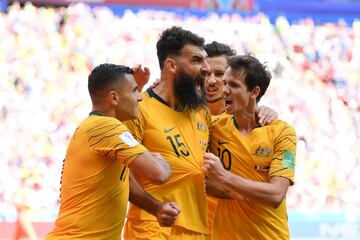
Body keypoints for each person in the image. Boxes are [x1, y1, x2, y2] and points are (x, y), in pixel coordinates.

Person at [46, 63, 178, 239]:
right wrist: (160, 158)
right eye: (134, 91)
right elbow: (159, 174)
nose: (140, 98)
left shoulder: (98, 128)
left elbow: (125, 182)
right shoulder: (107, 127)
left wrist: (156, 208)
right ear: (114, 98)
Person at [124, 26, 211, 239]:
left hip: (197, 230)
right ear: (171, 65)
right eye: (197, 60)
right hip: (152, 227)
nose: (206, 68)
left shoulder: (202, 113)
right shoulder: (138, 110)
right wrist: (156, 207)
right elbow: (119, 174)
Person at [203, 54, 296, 239]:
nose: (225, 90)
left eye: (234, 85)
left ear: (254, 92)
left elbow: (276, 194)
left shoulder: (283, 133)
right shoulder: (214, 127)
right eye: (226, 83)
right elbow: (205, 185)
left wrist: (224, 176)